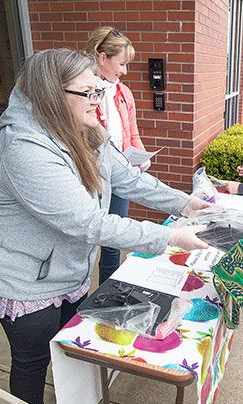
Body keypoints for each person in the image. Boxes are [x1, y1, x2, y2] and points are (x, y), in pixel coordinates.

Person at [0, 49, 209, 404]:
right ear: (52, 94)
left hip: (62, 265)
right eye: (89, 93)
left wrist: (186, 203)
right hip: (18, 276)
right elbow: (87, 222)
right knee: (31, 359)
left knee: (68, 343)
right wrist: (172, 236)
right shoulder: (24, 150)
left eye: (99, 90)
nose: (99, 101)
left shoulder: (85, 128)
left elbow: (130, 178)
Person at [84, 27, 151, 285]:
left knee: (114, 243)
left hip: (120, 175)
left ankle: (106, 297)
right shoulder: (82, 94)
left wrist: (141, 156)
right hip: (91, 179)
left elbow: (132, 132)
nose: (124, 71)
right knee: (86, 243)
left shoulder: (124, 93)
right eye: (121, 63)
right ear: (102, 58)